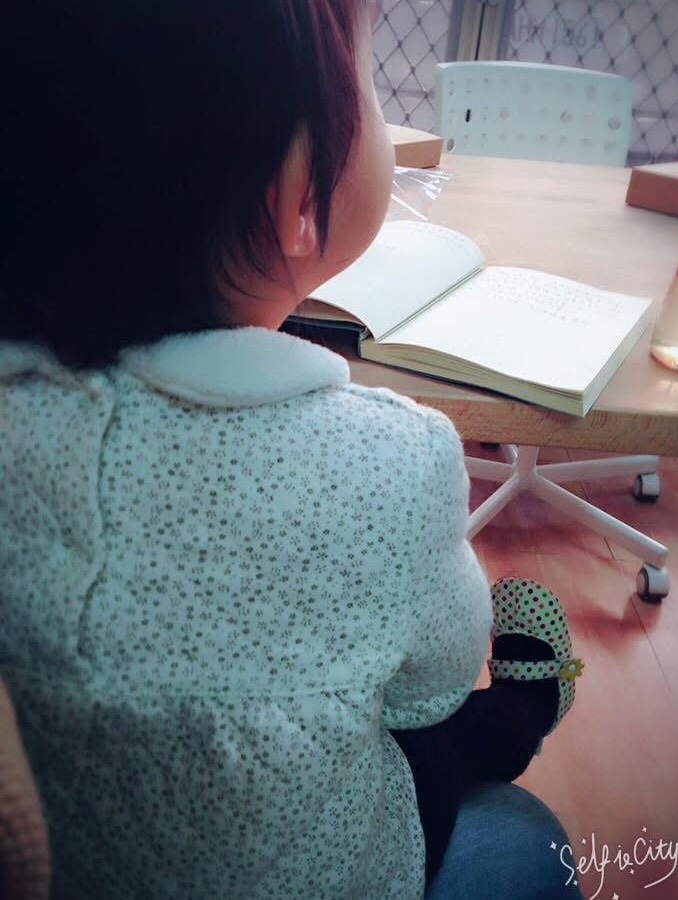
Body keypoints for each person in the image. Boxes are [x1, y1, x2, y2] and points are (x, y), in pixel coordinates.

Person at [0, 2, 584, 897]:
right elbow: (434, 678)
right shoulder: (397, 466)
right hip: (335, 866)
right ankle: (523, 709)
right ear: (298, 193)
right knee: (517, 824)